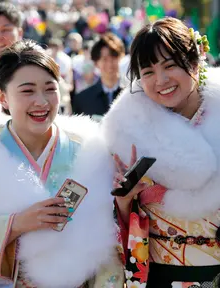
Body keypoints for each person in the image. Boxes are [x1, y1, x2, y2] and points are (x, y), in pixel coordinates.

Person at [0, 40, 124, 287]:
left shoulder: (89, 153)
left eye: (50, 88)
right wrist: (15, 224)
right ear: (2, 97)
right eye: (27, 91)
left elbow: (107, 245)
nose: (42, 102)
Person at [101, 17, 220, 287]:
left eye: (170, 65)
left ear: (194, 61)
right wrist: (123, 201)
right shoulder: (126, 130)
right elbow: (112, 220)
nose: (161, 80)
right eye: (148, 72)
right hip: (160, 274)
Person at [73, 33, 125, 118]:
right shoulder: (82, 99)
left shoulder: (133, 94)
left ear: (120, 58)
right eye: (104, 59)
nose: (110, 63)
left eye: (114, 57)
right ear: (96, 63)